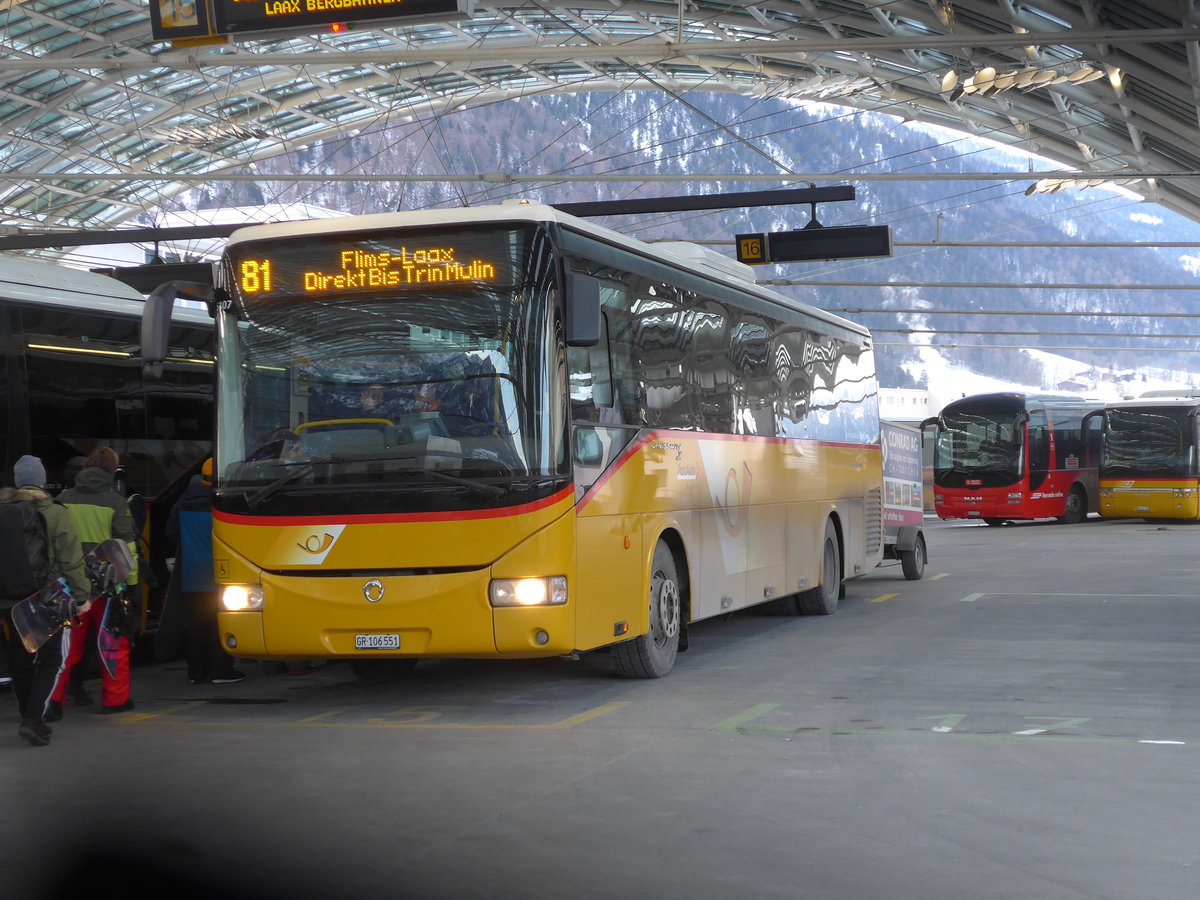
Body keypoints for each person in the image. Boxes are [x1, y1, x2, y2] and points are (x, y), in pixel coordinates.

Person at [1, 455, 89, 746]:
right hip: (45, 597)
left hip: (8, 598)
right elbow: (70, 560)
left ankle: (31, 717)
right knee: (52, 659)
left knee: (20, 658)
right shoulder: (55, 512)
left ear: (15, 481)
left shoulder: (3, 509)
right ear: (41, 480)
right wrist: (81, 597)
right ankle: (33, 718)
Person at [49, 446, 139, 717]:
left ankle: (51, 701)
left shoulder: (62, 499)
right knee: (112, 642)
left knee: (65, 647)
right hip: (108, 587)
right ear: (113, 470)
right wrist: (132, 584)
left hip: (69, 585)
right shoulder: (115, 502)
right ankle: (115, 701)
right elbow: (127, 548)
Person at [166, 458, 244, 686]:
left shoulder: (184, 501)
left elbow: (170, 532)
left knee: (195, 625)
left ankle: (196, 673)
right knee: (221, 622)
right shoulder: (226, 502)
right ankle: (221, 671)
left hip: (191, 574)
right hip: (222, 574)